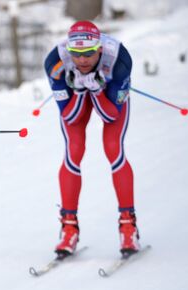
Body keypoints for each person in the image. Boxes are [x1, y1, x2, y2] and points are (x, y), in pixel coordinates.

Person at [44, 20, 140, 255]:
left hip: (109, 95)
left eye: (88, 53)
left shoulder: (119, 59)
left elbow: (110, 115)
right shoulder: (55, 62)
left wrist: (96, 89)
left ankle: (128, 226)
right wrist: (78, 91)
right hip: (74, 95)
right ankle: (69, 228)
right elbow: (70, 116)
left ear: (99, 49)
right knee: (73, 151)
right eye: (76, 54)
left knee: (113, 149)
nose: (82, 59)